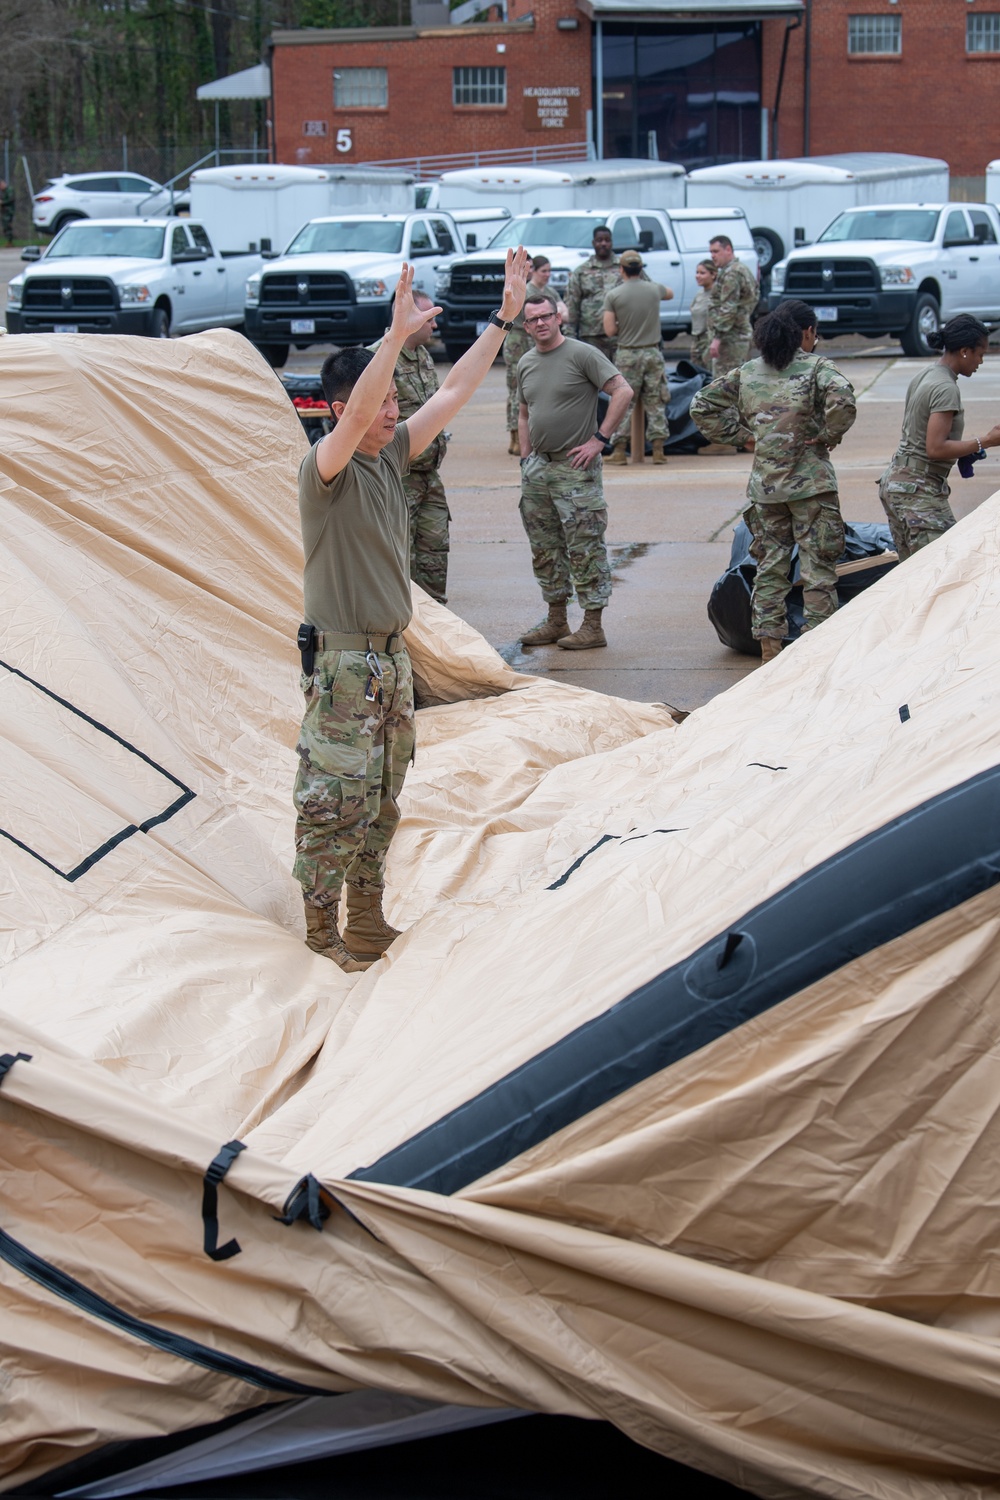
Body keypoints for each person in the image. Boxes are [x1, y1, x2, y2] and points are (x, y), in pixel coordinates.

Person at [295, 249, 530, 972]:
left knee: (382, 798)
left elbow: (455, 391)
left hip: (390, 660)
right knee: (332, 799)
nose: (393, 410)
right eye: (383, 401)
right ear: (341, 409)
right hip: (342, 663)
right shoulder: (325, 468)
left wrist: (501, 318)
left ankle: (366, 919)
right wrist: (391, 337)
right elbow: (363, 405)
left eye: (398, 401)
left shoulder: (392, 453)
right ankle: (319, 927)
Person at [691, 300, 857, 664]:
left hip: (767, 490)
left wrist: (745, 437)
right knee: (818, 569)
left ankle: (769, 649)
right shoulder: (817, 368)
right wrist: (829, 433)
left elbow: (701, 405)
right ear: (808, 333)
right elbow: (843, 400)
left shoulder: (748, 372)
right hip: (812, 488)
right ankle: (818, 651)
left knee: (770, 569)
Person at [516, 298, 632, 651]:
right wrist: (525, 459)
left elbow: (622, 391)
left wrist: (599, 440)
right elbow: (523, 413)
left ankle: (593, 625)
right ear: (526, 326)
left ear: (558, 317)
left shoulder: (582, 354)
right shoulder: (526, 362)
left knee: (584, 546)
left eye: (546, 316)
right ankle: (556, 620)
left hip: (575, 469)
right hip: (539, 469)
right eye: (533, 319)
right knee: (545, 548)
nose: (540, 323)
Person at [879, 314, 1000, 560]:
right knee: (941, 569)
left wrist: (969, 449)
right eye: (980, 354)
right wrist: (985, 441)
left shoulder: (926, 375)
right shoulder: (946, 388)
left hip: (898, 483)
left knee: (911, 575)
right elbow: (935, 448)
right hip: (918, 492)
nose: (981, 361)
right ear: (965, 351)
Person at [374, 290, 452, 604]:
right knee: (399, 557)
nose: (434, 326)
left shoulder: (423, 356)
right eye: (429, 318)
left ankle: (437, 627)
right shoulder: (378, 358)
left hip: (429, 476)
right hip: (398, 479)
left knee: (435, 552)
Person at [601, 249, 673, 466]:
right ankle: (659, 449)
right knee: (656, 400)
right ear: (641, 269)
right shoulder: (654, 289)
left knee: (624, 401)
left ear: (621, 269)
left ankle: (620, 450)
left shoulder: (614, 295)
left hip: (628, 354)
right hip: (653, 352)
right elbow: (669, 293)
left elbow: (609, 330)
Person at [503, 256, 567, 455]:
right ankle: (514, 434)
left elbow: (565, 313)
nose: (547, 275)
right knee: (516, 388)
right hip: (518, 341)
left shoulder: (550, 292)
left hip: (535, 342)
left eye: (549, 271)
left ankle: (530, 434)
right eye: (543, 271)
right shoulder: (525, 290)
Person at [565, 226, 622, 362]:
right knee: (595, 378)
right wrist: (569, 336)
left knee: (622, 379)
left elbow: (643, 291)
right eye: (599, 240)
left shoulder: (624, 267)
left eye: (607, 240)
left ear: (612, 242)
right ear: (593, 243)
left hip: (621, 334)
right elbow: (572, 304)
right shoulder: (582, 271)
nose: (603, 243)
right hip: (591, 336)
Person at [707, 234, 759, 377]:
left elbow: (728, 308)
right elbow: (754, 296)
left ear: (728, 249)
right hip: (739, 335)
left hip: (730, 340)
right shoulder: (741, 269)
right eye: (711, 252)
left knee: (726, 385)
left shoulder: (731, 273)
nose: (712, 256)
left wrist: (717, 338)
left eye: (716, 251)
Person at [690, 259, 717, 370]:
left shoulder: (717, 294)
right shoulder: (699, 294)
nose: (698, 276)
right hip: (696, 341)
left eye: (702, 273)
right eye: (697, 272)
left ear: (713, 275)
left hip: (708, 340)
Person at [0, 180, 14, 247]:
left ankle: (10, 241)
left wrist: (3, 202)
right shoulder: (3, 192)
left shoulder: (9, 190)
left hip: (8, 211)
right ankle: (8, 241)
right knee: (5, 227)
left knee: (8, 226)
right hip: (4, 212)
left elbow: (11, 199)